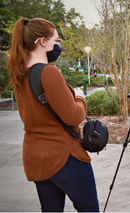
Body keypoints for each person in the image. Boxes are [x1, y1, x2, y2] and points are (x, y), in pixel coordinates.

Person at [7, 18, 99, 211]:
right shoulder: (48, 72)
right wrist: (80, 97)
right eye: (56, 41)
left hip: (36, 158)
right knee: (89, 209)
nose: (58, 46)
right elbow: (74, 117)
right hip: (63, 156)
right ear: (43, 41)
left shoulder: (20, 74)